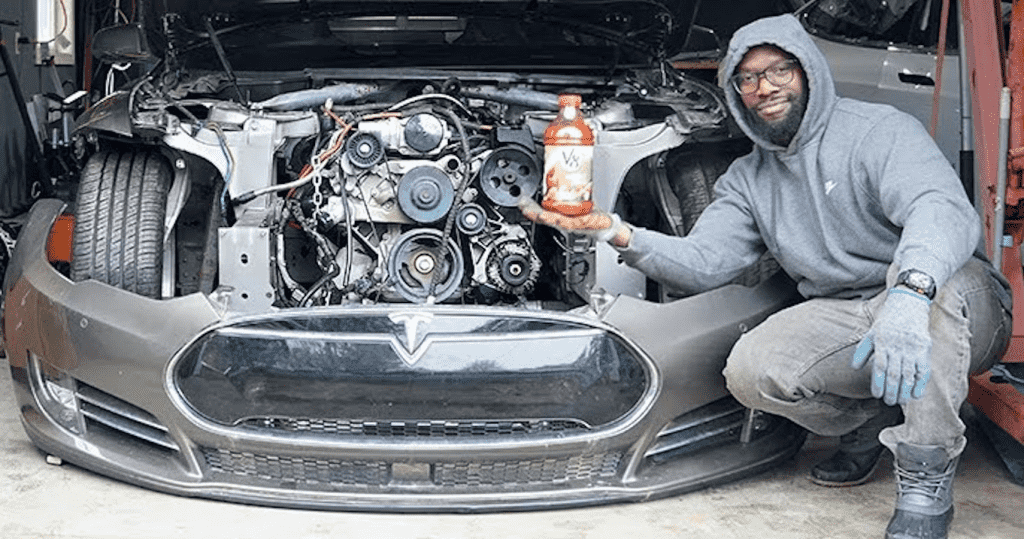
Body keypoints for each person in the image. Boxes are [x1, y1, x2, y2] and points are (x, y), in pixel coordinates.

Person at [520, 13, 1013, 539]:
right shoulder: (748, 180)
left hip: (951, 293)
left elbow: (939, 210)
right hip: (849, 310)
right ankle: (868, 423)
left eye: (780, 70)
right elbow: (704, 262)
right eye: (748, 78)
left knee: (931, 305)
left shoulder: (879, 131)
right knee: (754, 371)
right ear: (737, 94)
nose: (765, 87)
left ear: (808, 71)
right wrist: (616, 231)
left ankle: (925, 473)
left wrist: (910, 295)